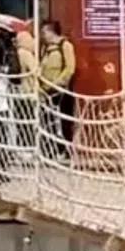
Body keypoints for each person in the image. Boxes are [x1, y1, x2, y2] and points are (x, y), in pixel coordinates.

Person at [39, 20, 76, 158]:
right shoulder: (45, 48)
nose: (43, 36)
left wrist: (58, 82)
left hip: (60, 90)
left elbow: (70, 68)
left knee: (63, 122)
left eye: (44, 32)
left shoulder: (65, 46)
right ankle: (49, 150)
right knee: (47, 122)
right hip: (45, 90)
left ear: (51, 31)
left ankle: (64, 150)